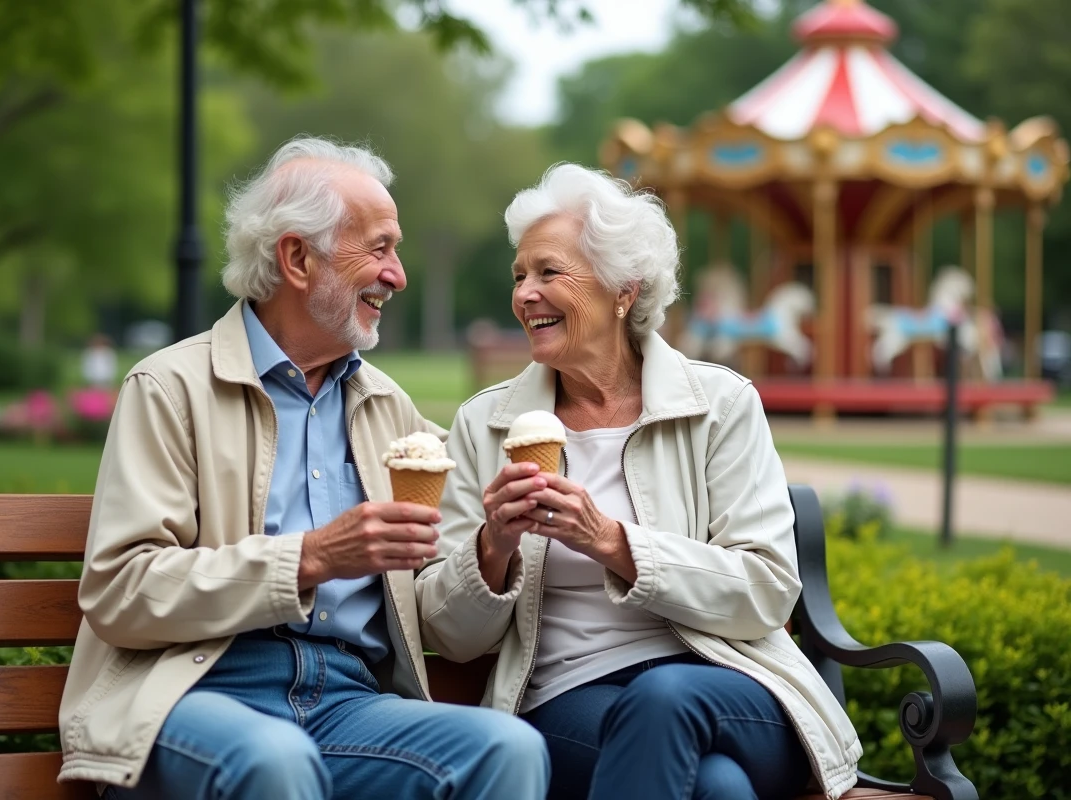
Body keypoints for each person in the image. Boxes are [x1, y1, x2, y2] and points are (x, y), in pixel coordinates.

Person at [58, 137, 550, 800]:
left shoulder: (388, 408)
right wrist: (311, 557)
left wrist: (495, 542)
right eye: (378, 248)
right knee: (275, 759)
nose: (398, 274)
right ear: (296, 257)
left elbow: (444, 627)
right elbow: (121, 590)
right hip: (190, 690)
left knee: (506, 749)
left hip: (346, 698)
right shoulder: (170, 387)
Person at [416, 164, 862, 800]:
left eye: (548, 272)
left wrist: (611, 541)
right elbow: (448, 635)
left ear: (622, 290)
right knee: (717, 788)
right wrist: (494, 547)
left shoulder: (719, 404)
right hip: (567, 698)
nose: (524, 294)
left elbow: (765, 589)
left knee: (666, 695)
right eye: (519, 276)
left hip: (730, 681)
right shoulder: (486, 423)